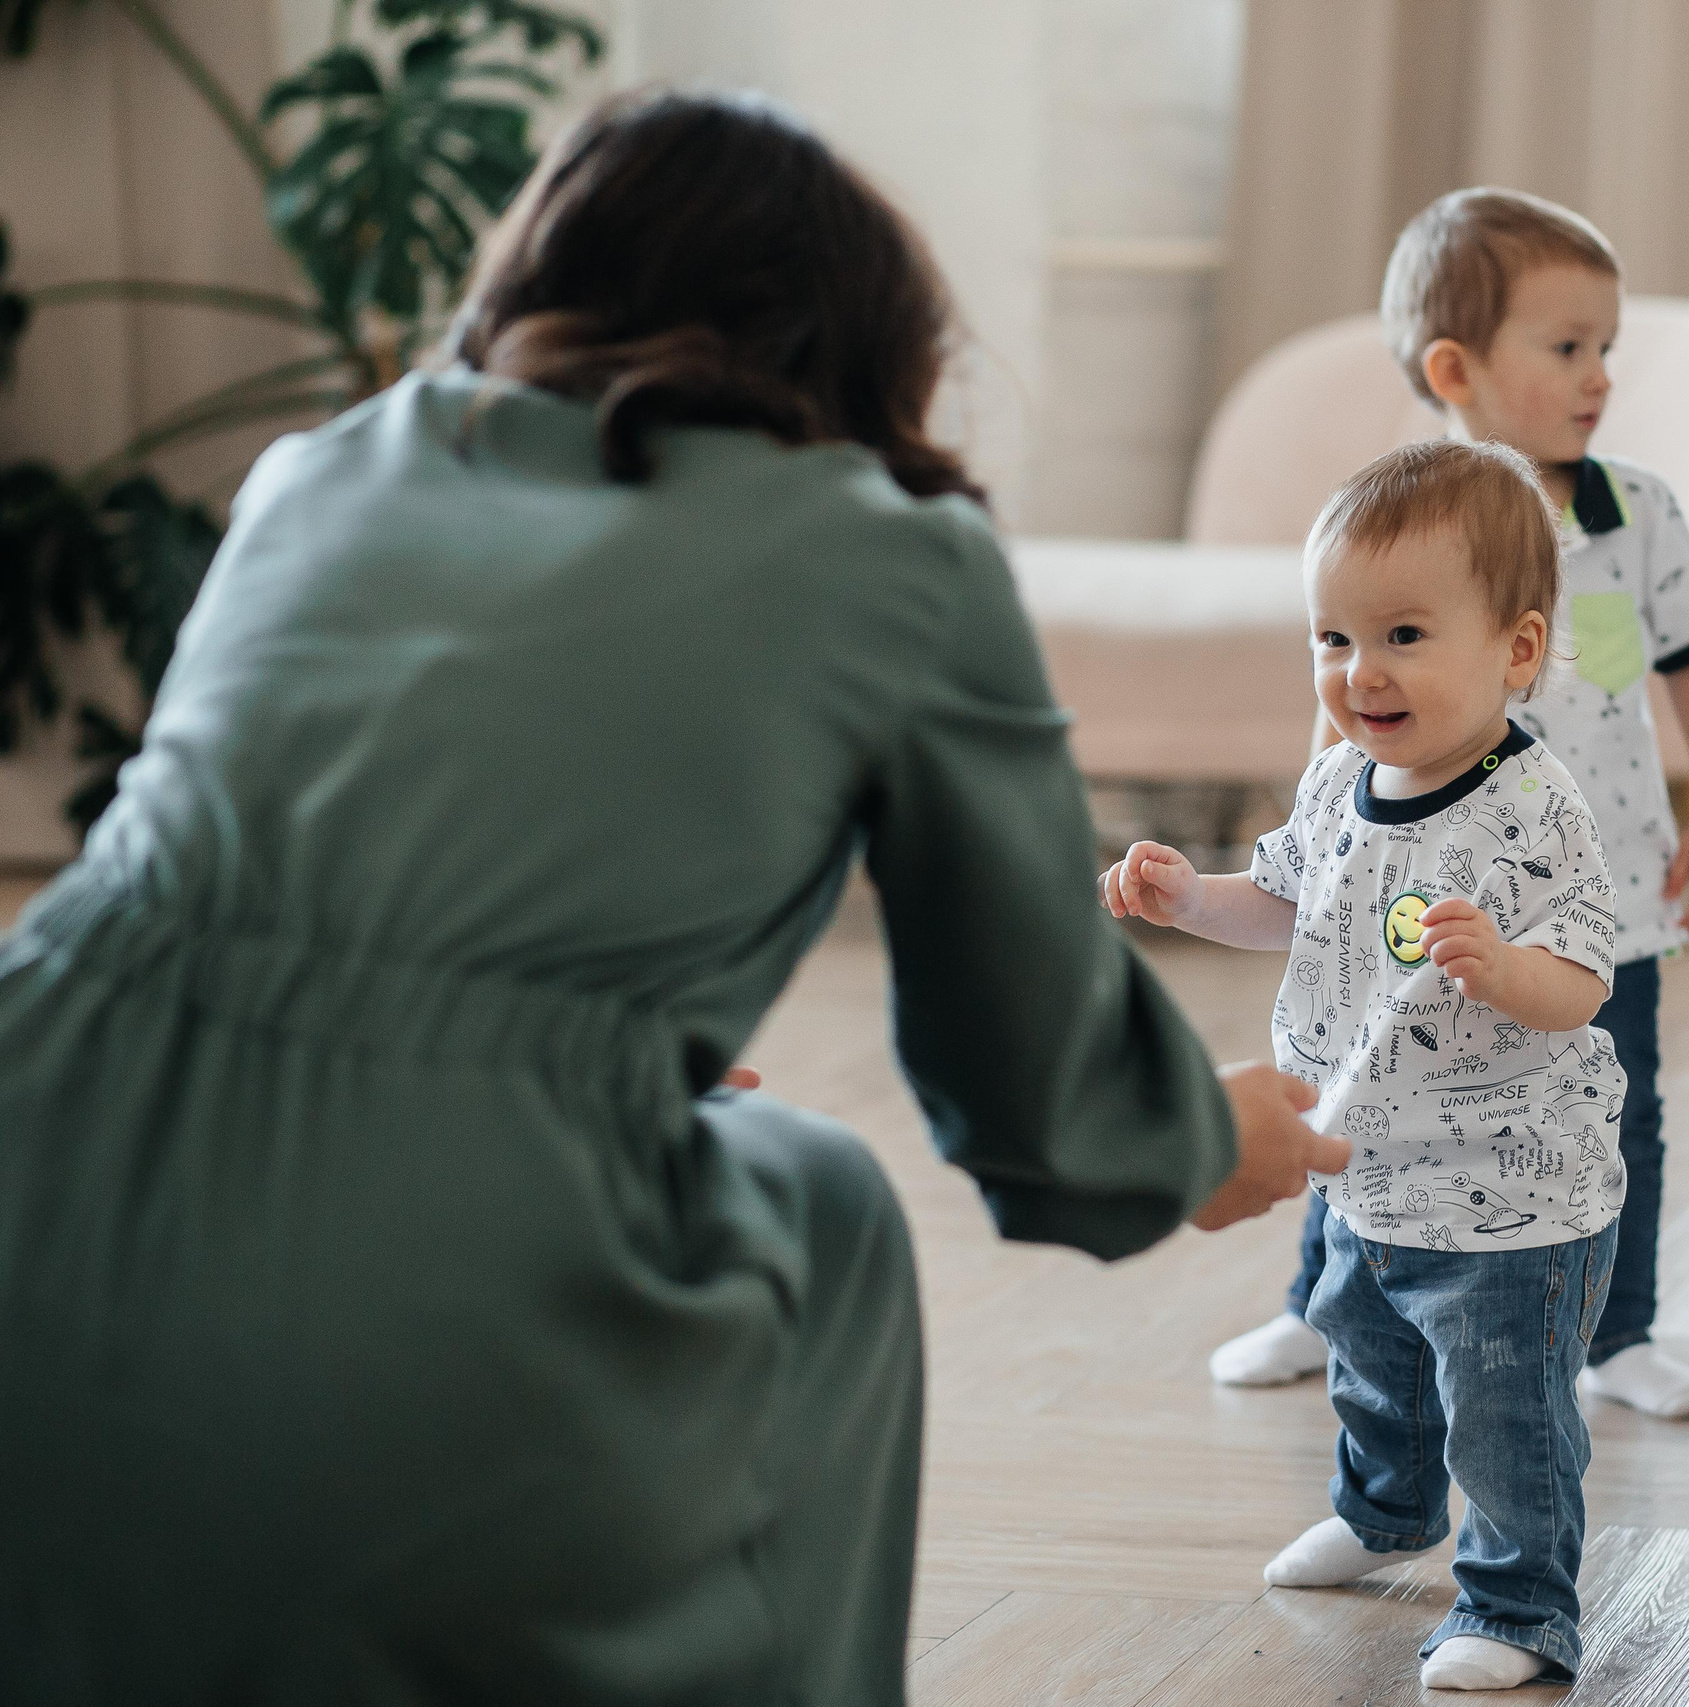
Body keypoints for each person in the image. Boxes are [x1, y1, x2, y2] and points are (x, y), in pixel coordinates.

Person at [0, 91, 1346, 1706]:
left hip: (40, 1127)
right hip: (419, 1290)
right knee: (824, 1203)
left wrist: (530, 1039)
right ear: (857, 332)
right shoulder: (896, 558)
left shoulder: (333, 465)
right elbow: (1049, 1108)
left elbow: (294, 895)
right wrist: (1205, 1142)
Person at [1207, 187, 1689, 1421]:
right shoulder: (1394, 528)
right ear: (1456, 366)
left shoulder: (1633, 513)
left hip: (1597, 903)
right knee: (1355, 1081)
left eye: (1606, 347)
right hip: (1406, 892)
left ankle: (1621, 1328)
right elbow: (1342, 695)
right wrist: (1319, 843)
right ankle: (1321, 1301)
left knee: (1618, 1108)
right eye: (1567, 348)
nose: (1598, 374)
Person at [1104, 440, 1625, 1691]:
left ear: (1517, 649)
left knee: (1502, 1415)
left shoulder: (1531, 807)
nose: (1359, 673)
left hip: (1510, 1197)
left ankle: (1516, 1607)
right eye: (1331, 640)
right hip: (1362, 1162)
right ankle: (1385, 1511)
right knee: (1366, 1356)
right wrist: (1189, 901)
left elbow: (1586, 981)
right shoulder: (1341, 778)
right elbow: (1287, 902)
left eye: (1400, 635)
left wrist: (1505, 969)